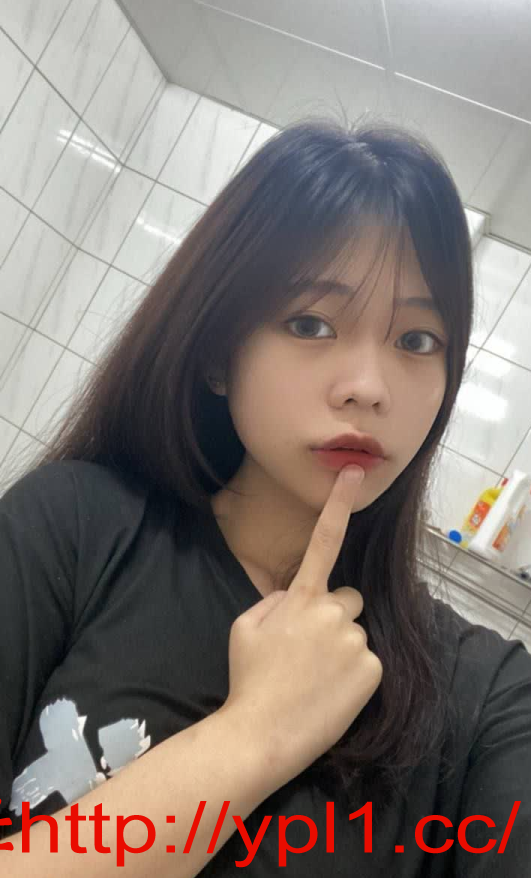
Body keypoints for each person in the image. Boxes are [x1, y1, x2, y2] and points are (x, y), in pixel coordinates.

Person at [0, 115, 530, 878]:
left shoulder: (483, 696)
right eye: (310, 323)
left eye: (417, 341)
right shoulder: (76, 528)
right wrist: (253, 733)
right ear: (220, 353)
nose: (368, 388)